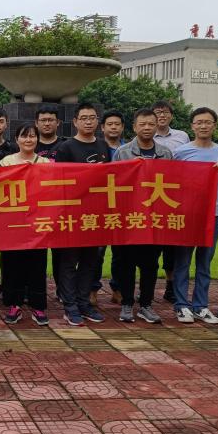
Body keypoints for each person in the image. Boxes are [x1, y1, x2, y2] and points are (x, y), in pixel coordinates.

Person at [112, 108, 173, 324]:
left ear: (157, 126)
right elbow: (114, 183)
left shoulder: (166, 153)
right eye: (142, 124)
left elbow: (173, 183)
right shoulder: (123, 153)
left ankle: (146, 304)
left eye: (151, 124)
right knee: (126, 263)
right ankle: (127, 303)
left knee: (150, 264)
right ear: (134, 127)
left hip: (154, 218)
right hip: (129, 218)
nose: (147, 128)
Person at [172, 107, 218, 325]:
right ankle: (181, 305)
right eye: (199, 122)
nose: (203, 126)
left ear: (214, 126)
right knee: (182, 261)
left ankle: (200, 306)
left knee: (205, 262)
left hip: (212, 214)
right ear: (192, 126)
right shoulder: (181, 152)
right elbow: (172, 181)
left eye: (208, 122)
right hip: (187, 213)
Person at [54, 103, 110, 326]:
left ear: (97, 121)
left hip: (95, 215)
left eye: (92, 117)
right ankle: (69, 306)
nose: (88, 121)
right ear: (75, 122)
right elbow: (59, 181)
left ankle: (84, 303)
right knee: (69, 262)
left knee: (90, 261)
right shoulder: (66, 147)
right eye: (84, 118)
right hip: (72, 214)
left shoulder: (103, 145)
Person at [0, 124, 50, 326]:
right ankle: (14, 304)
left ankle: (38, 306)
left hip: (38, 222)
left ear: (37, 139)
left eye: (32, 136)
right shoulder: (6, 162)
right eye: (24, 136)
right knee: (12, 264)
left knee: (37, 264)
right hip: (13, 222)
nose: (28, 140)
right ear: (16, 139)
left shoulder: (46, 162)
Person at [152, 100, 190, 303]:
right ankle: (147, 287)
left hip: (174, 196)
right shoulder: (145, 136)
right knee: (150, 245)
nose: (162, 115)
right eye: (158, 112)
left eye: (165, 112)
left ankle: (170, 285)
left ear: (171, 116)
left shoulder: (182, 136)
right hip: (151, 197)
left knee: (171, 246)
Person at [97, 110, 127, 304]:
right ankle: (93, 288)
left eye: (117, 124)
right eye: (110, 124)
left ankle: (118, 288)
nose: (113, 127)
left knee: (121, 253)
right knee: (97, 252)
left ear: (122, 127)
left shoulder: (129, 149)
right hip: (99, 206)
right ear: (103, 127)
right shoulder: (95, 147)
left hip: (123, 207)